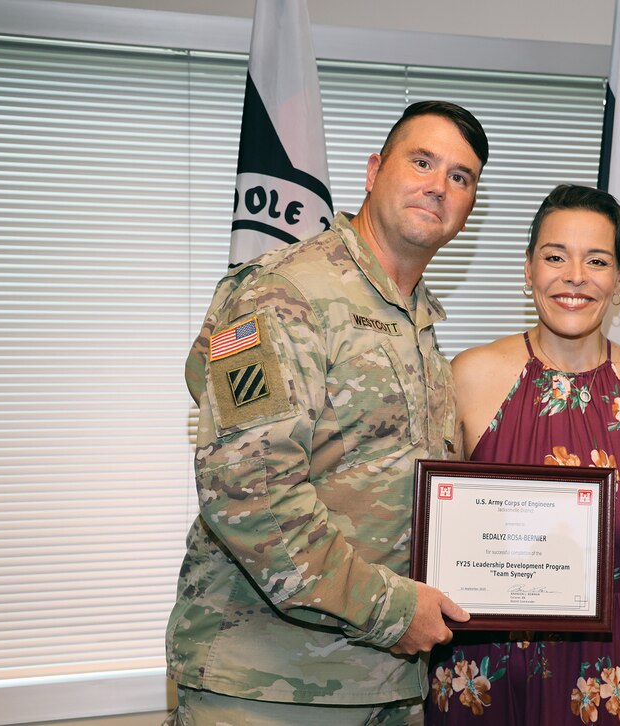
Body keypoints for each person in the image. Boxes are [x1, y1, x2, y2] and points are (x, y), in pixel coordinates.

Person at [163, 100, 488, 725]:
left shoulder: (417, 320)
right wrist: (393, 612)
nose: (438, 185)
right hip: (270, 684)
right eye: (422, 161)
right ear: (373, 171)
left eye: (460, 176)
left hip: (383, 682)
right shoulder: (281, 292)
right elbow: (249, 494)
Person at [425, 184, 620, 725]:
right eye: (555, 257)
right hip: (490, 665)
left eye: (597, 260)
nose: (575, 276)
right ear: (528, 270)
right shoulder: (469, 377)